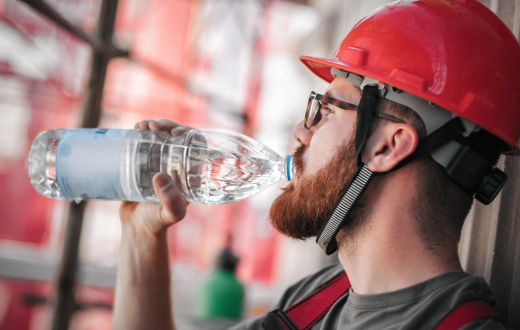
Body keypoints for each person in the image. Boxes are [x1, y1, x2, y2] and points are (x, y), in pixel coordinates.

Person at [113, 0, 520, 329]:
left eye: (324, 110)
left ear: (387, 146)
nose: (300, 131)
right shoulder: (316, 303)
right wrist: (140, 235)